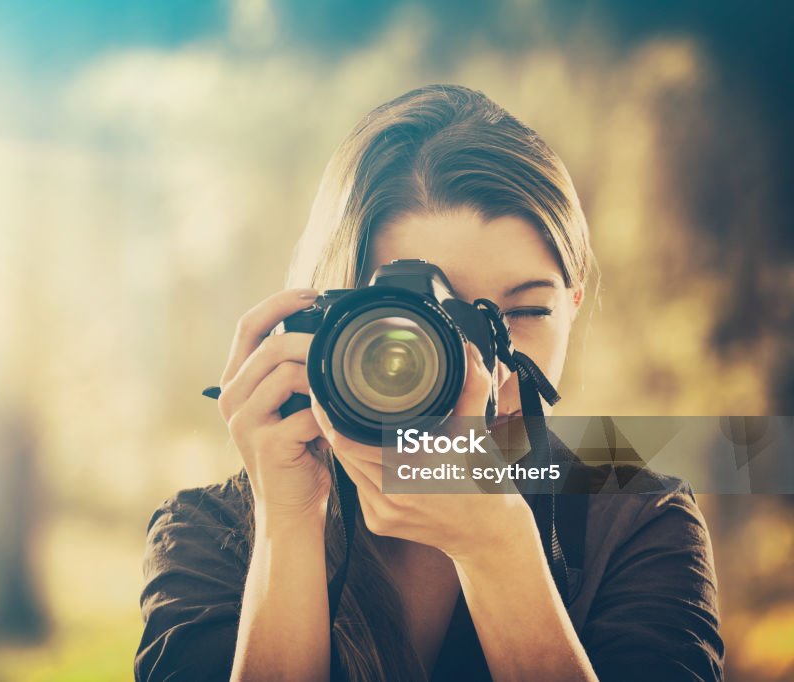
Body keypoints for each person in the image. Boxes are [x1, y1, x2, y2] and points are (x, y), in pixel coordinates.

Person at [135, 84, 724, 681]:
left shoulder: (638, 518)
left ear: (572, 305)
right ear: (331, 325)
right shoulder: (214, 534)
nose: (482, 371)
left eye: (522, 315)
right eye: (427, 324)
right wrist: (288, 523)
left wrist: (498, 547)